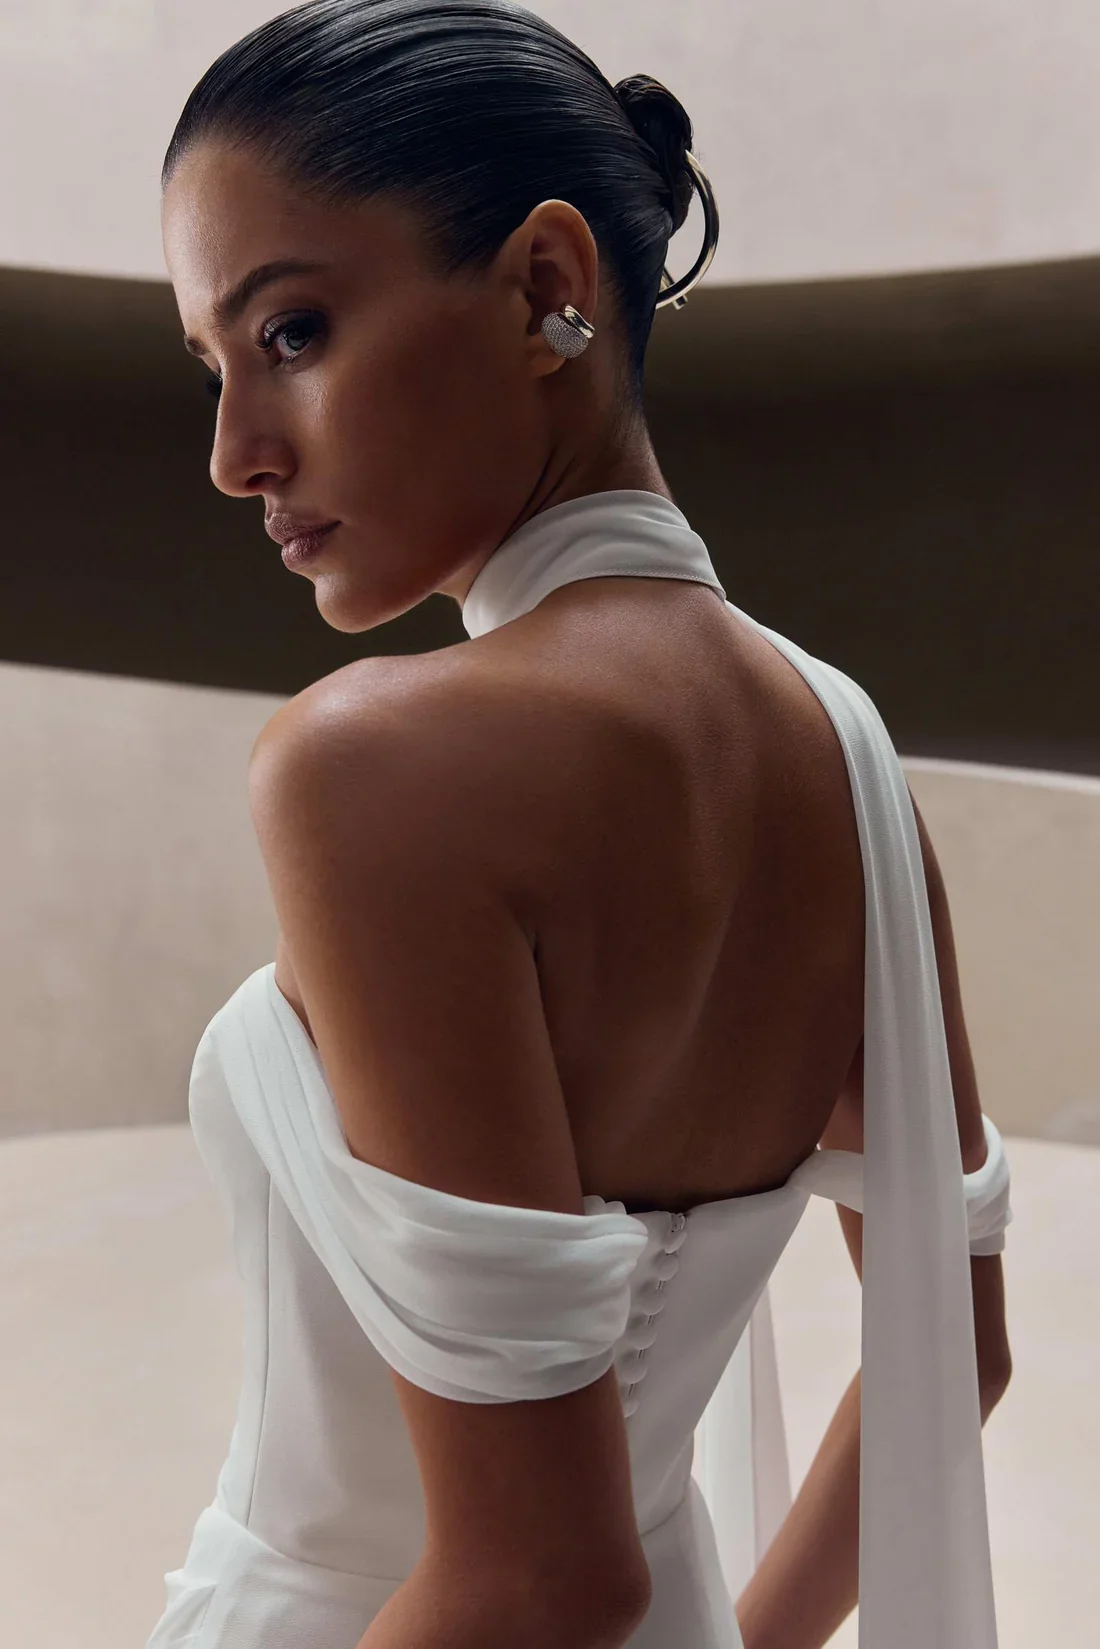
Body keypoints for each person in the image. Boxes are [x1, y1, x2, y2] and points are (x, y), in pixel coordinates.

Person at [151, 3, 1013, 1646]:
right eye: (215, 370)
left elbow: (541, 1572)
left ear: (546, 283)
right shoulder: (848, 765)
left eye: (292, 333)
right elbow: (956, 1355)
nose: (233, 456)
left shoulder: (373, 766)